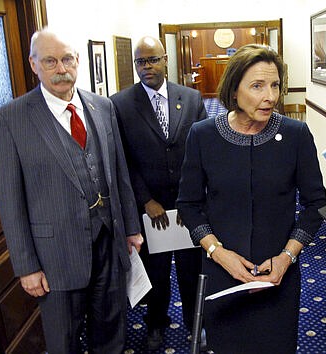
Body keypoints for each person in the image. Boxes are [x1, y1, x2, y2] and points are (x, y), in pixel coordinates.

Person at [0, 28, 143, 353]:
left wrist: (131, 227)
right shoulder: (9, 120)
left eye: (67, 59)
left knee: (111, 334)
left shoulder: (102, 107)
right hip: (55, 258)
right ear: (34, 64)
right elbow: (10, 201)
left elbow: (119, 174)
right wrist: (26, 266)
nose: (62, 69)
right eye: (50, 61)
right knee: (64, 343)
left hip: (109, 245)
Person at [176, 44, 326, 354]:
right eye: (257, 86)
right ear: (234, 90)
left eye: (274, 85)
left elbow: (316, 206)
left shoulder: (296, 135)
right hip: (222, 275)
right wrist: (218, 252)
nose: (270, 95)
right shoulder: (202, 136)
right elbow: (189, 205)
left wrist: (287, 256)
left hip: (277, 277)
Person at [110, 35, 207, 350]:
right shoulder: (120, 104)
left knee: (193, 271)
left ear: (166, 60)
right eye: (140, 61)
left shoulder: (191, 99)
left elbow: (203, 152)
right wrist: (145, 199)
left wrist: (191, 198)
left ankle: (197, 324)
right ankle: (156, 325)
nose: (146, 67)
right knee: (156, 274)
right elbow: (122, 160)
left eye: (152, 59)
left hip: (188, 208)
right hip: (150, 211)